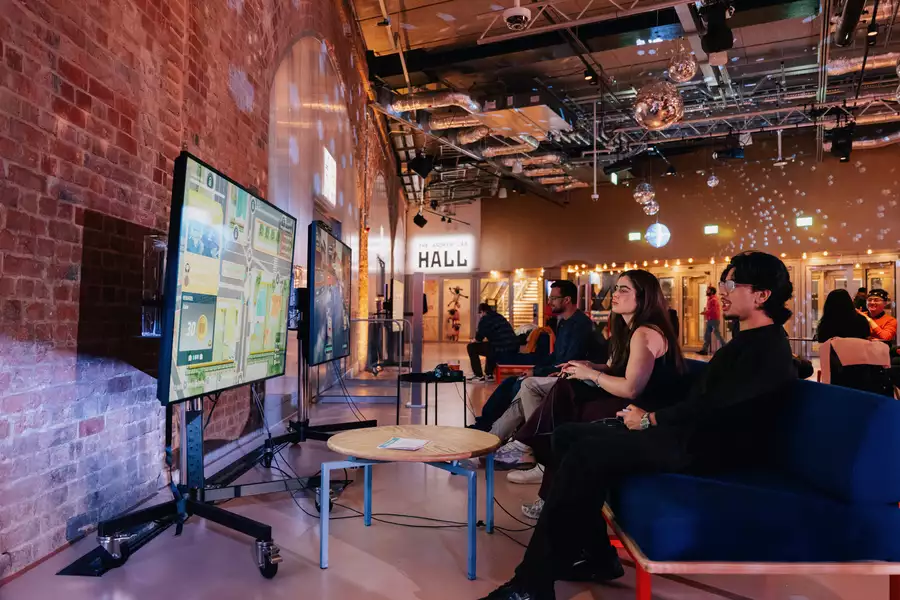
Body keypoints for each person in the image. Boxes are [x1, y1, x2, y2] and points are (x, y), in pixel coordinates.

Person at [480, 251, 798, 600]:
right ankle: (599, 555)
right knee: (568, 435)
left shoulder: (765, 349)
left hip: (708, 448)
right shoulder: (747, 342)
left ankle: (531, 584)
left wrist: (649, 419)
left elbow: (714, 408)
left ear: (762, 295)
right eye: (724, 283)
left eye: (732, 284)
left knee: (586, 449)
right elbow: (705, 397)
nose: (723, 291)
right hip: (692, 436)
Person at [508, 270, 687, 517]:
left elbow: (632, 388)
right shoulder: (626, 330)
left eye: (624, 290)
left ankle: (529, 449)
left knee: (569, 415)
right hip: (625, 401)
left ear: (644, 298)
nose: (615, 294)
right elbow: (616, 368)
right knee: (566, 387)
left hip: (641, 410)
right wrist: (589, 366)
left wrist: (591, 375)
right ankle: (533, 455)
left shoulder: (645, 333)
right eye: (616, 288)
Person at [468, 280, 594, 431]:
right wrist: (535, 368)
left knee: (517, 385)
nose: (549, 302)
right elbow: (555, 356)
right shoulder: (563, 323)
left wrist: (537, 372)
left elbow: (569, 362)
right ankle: (487, 425)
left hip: (568, 377)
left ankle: (504, 430)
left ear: (567, 300)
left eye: (553, 298)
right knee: (509, 383)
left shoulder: (581, 325)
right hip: (555, 369)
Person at [467, 303, 519, 382]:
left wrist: (472, 341)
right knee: (491, 346)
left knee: (471, 347)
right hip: (513, 348)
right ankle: (489, 374)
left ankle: (478, 376)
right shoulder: (499, 316)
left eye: (480, 314)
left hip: (500, 349)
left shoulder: (485, 319)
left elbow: (479, 338)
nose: (480, 316)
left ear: (483, 312)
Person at [698, 286, 726, 355]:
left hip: (713, 319)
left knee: (717, 334)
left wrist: (705, 312)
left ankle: (726, 347)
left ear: (712, 291)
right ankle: (704, 350)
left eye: (708, 290)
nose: (706, 291)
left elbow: (713, 310)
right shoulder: (710, 299)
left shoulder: (713, 300)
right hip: (711, 319)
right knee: (707, 335)